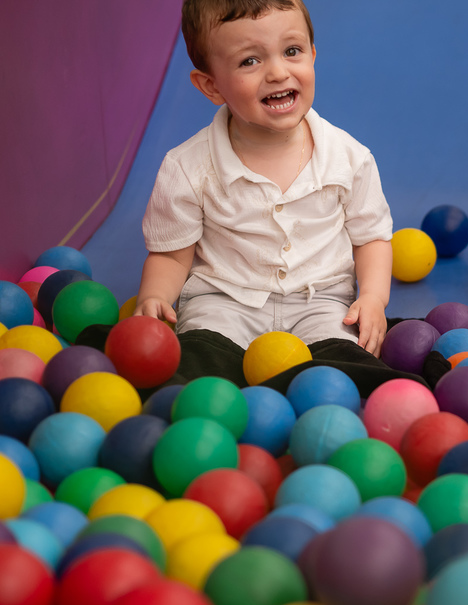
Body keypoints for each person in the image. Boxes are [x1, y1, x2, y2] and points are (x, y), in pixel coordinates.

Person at [114, 0, 446, 393]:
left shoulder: (348, 158)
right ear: (211, 85)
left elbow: (371, 236)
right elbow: (172, 253)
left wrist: (373, 298)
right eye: (249, 62)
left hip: (320, 301)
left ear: (312, 54)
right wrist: (154, 298)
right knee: (195, 361)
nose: (277, 72)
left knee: (342, 367)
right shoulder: (188, 167)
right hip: (223, 300)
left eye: (292, 51)